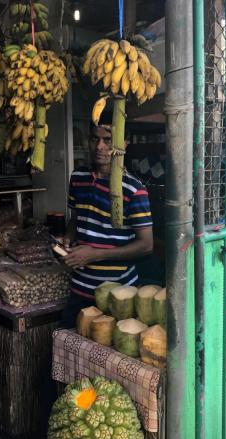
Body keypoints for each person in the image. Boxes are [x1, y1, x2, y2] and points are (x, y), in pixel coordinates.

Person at [59, 121, 154, 328]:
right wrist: (68, 238)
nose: (99, 146)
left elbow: (146, 245)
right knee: (66, 345)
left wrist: (96, 254)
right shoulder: (78, 178)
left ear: (124, 144)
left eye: (108, 140)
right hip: (79, 289)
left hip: (118, 295)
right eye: (95, 138)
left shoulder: (134, 189)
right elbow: (77, 220)